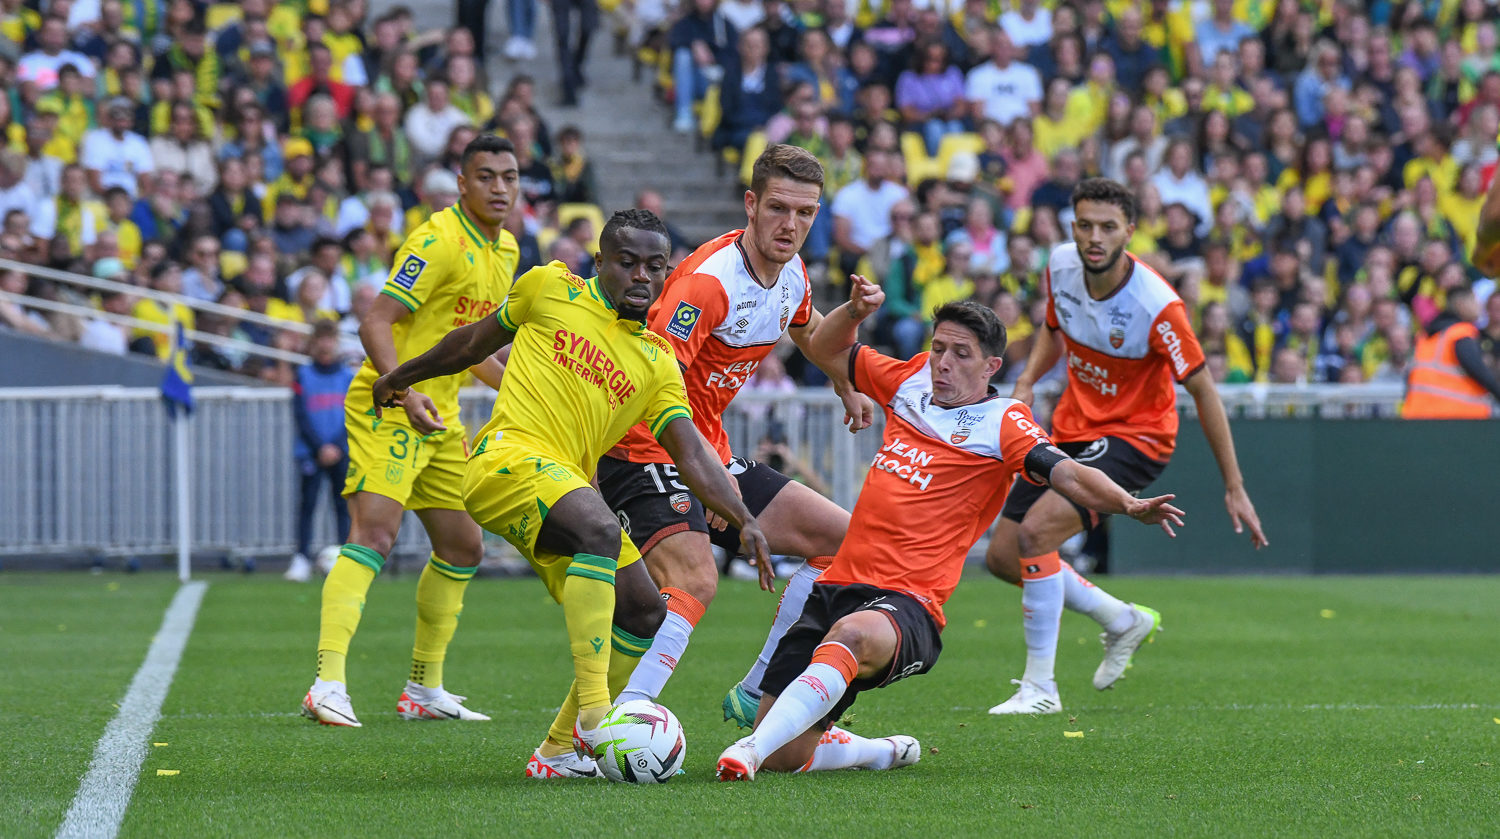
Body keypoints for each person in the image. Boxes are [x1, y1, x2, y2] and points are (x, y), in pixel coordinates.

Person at [370, 209, 771, 779]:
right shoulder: (549, 286)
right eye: (626, 263)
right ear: (600, 262)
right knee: (604, 529)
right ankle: (593, 721)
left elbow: (692, 455)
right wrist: (402, 376)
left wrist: (742, 516)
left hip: (560, 492)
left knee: (642, 612)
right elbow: (471, 343)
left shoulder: (657, 362)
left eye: (654, 267)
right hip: (504, 461)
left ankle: (557, 753)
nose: (641, 277)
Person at [715, 298, 1185, 781]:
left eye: (961, 354)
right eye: (938, 347)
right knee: (786, 757)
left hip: (908, 603)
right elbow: (824, 345)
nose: (943, 362)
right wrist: (854, 311)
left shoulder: (1004, 421)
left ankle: (749, 748)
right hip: (837, 587)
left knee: (851, 638)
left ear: (990, 366)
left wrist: (1127, 504)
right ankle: (877, 751)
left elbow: (1068, 474)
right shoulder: (911, 381)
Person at [595, 145, 872, 733]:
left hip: (708, 454)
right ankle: (621, 719)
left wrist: (846, 385)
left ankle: (757, 691)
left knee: (844, 544)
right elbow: (650, 378)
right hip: (645, 449)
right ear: (751, 204)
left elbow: (811, 330)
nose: (790, 224)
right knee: (696, 579)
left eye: (804, 212)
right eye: (777, 208)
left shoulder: (791, 272)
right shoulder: (706, 284)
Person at [985, 178, 1267, 715]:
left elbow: (1204, 391)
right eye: (1085, 224)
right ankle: (1121, 618)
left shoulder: (1158, 306)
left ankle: (1040, 689)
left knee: (1038, 533)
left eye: (1108, 227)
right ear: (1072, 227)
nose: (1095, 237)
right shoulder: (1061, 265)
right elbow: (1052, 327)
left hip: (1137, 439)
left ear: (1129, 233)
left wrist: (1235, 486)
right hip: (1071, 427)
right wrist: (1026, 382)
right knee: (1002, 557)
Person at [300, 134, 521, 728]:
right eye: (486, 176)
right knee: (375, 533)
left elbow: (470, 344)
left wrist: (523, 393)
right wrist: (403, 387)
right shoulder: (438, 239)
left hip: (441, 414)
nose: (500, 187)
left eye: (509, 176)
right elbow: (377, 318)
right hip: (391, 400)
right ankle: (327, 681)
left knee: (463, 546)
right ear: (462, 183)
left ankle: (423, 689)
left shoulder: (506, 251)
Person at [287, 321, 355, 583]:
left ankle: (345, 559)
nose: (326, 344)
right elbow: (300, 414)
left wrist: (336, 445)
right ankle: (301, 559)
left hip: (341, 450)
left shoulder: (348, 376)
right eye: (321, 339)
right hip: (310, 452)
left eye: (330, 339)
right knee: (308, 505)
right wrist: (320, 447)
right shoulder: (303, 375)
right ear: (313, 343)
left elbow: (352, 412)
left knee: (343, 506)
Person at [1401, 288, 1500, 419]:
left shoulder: (1427, 335)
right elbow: (1479, 371)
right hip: (1454, 418)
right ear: (1461, 304)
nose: (1478, 306)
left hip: (1419, 415)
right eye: (1474, 300)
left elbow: (1409, 375)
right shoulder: (1460, 333)